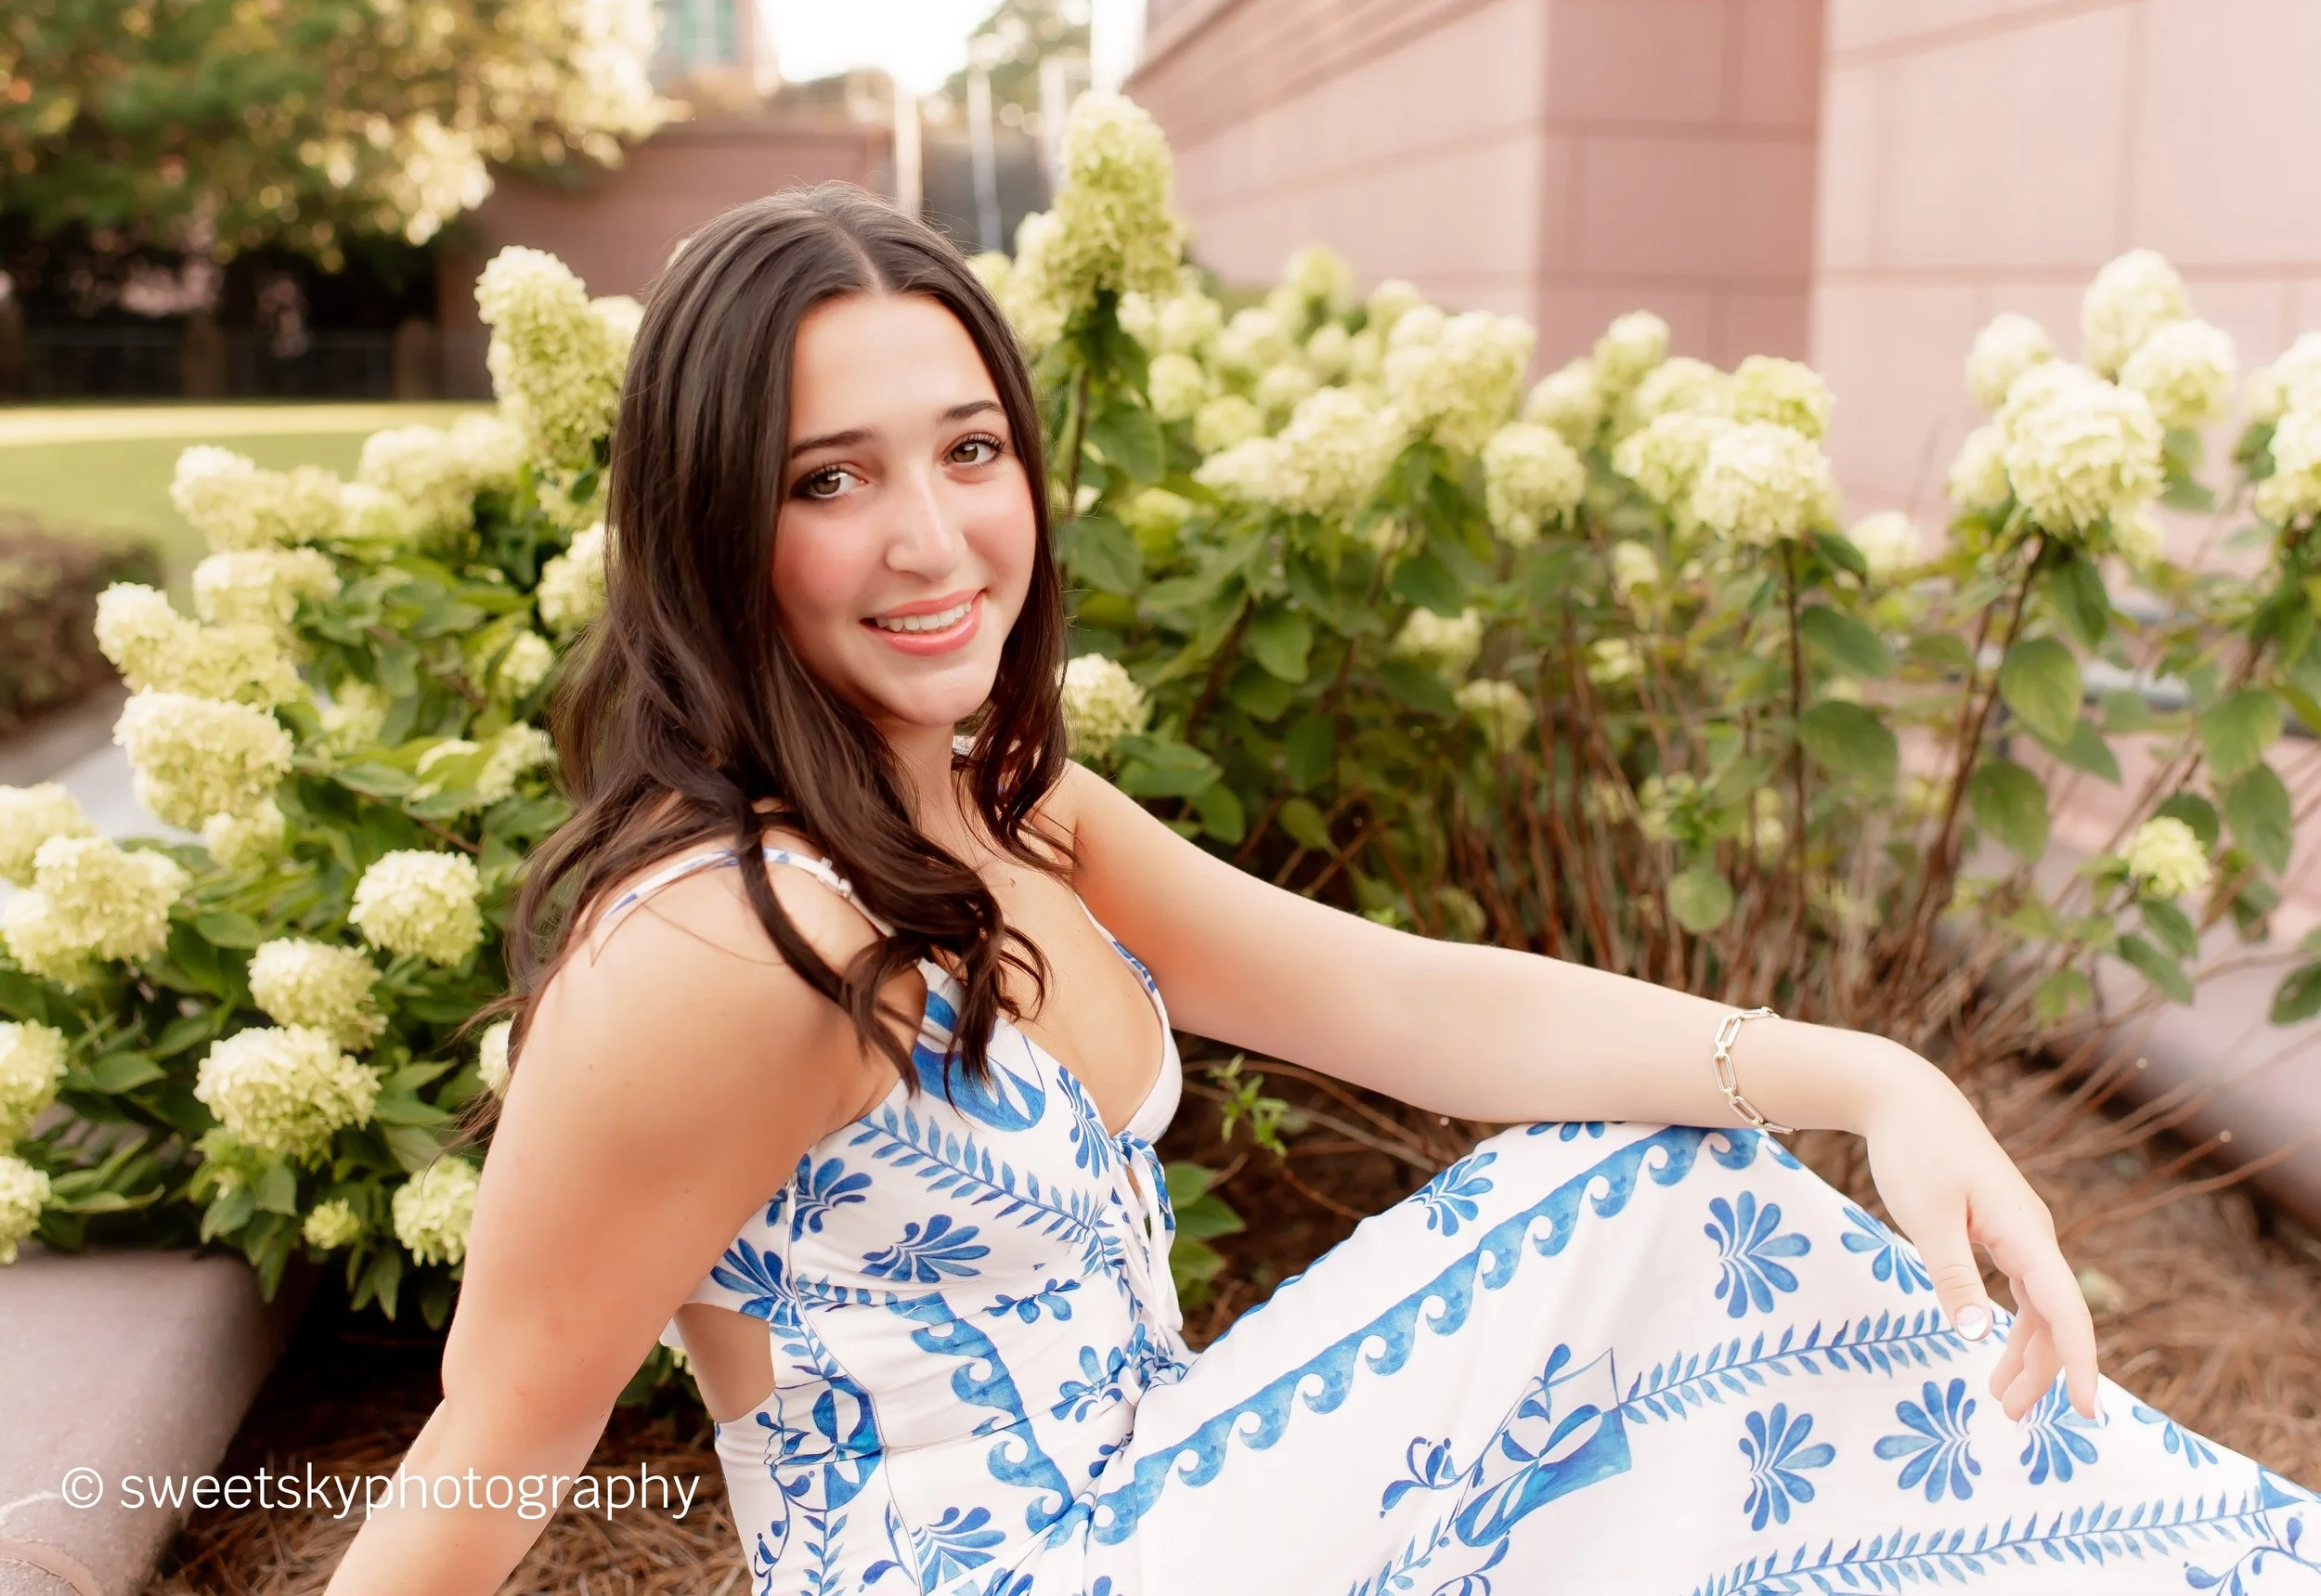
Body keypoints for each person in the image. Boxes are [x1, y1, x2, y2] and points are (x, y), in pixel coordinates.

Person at [325, 186, 2318, 1596]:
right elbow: (491, 1436)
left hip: (1174, 1515)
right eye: (825, 477)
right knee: (1633, 1191)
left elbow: (1416, 1004)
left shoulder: (1017, 813)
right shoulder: (713, 946)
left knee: (1693, 1274)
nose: (931, 535)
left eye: (968, 449)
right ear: (707, 520)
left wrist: (1871, 1070)